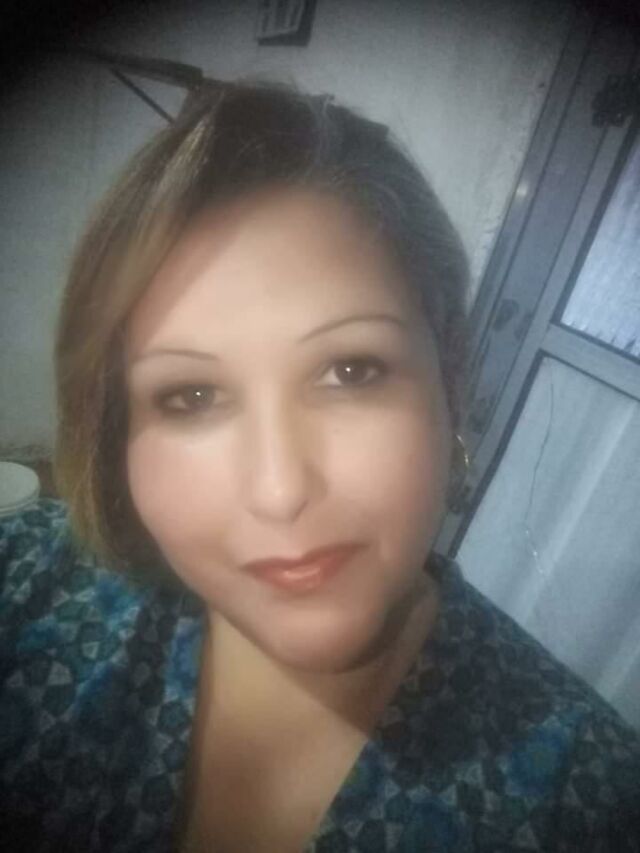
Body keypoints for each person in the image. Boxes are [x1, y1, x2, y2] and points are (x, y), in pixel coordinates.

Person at [0, 79, 638, 853]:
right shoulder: (24, 591)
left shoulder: (591, 800)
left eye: (351, 371)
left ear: (451, 382)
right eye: (191, 395)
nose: (280, 490)